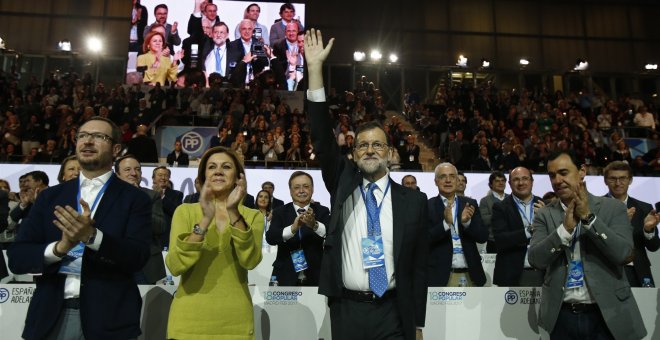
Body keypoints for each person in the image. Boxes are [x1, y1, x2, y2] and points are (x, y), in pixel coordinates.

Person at [305, 29, 428, 340]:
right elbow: (321, 136)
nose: (370, 150)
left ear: (388, 152)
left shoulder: (413, 201)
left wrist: (418, 324)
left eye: (377, 145)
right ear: (352, 153)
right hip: (347, 309)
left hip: (393, 312)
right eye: (362, 145)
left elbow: (417, 269)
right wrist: (315, 70)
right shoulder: (342, 181)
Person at [8, 117, 151, 339]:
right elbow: (18, 257)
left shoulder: (134, 199)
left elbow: (138, 256)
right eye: (82, 136)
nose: (87, 141)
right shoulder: (50, 197)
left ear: (116, 149)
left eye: (98, 137)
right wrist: (60, 248)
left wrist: (92, 237)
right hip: (51, 316)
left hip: (109, 320)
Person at [528, 151, 647, 340]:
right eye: (552, 175)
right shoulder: (545, 214)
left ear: (582, 171)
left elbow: (625, 254)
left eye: (563, 172)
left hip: (607, 313)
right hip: (562, 316)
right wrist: (564, 231)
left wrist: (589, 219)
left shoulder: (613, 208)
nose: (557, 180)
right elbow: (535, 259)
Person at [165, 146, 263, 339]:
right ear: (203, 177)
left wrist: (234, 211)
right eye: (211, 167)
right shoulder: (184, 211)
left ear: (238, 178)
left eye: (226, 167)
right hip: (188, 322)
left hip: (236, 323)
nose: (218, 171)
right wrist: (204, 220)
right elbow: (175, 266)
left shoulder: (253, 216)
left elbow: (250, 260)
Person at [428, 162, 487, 287]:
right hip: (441, 277)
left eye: (452, 176)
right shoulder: (427, 206)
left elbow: (482, 237)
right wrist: (445, 224)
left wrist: (467, 223)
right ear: (436, 181)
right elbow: (424, 240)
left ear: (457, 180)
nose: (448, 180)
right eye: (443, 177)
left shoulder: (470, 204)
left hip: (471, 275)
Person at [266, 171, 330, 286]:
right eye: (297, 187)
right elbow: (271, 238)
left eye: (306, 186)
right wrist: (292, 229)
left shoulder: (322, 211)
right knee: (279, 305)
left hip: (316, 274)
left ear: (312, 189)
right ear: (290, 191)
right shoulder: (280, 212)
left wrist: (314, 225)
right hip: (284, 274)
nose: (301, 191)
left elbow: (331, 233)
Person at [603, 161, 660, 287]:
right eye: (613, 178)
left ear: (630, 180)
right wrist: (619, 225)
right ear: (605, 181)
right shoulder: (595, 208)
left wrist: (648, 230)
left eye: (623, 178)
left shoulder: (644, 208)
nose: (618, 183)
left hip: (638, 272)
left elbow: (654, 247)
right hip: (606, 272)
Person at [115, 154, 168, 284]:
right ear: (117, 174)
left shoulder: (151, 196)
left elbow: (160, 227)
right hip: (115, 261)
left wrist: (137, 201)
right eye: (127, 170)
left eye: (137, 169)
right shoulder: (109, 197)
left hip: (146, 264)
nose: (134, 173)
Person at [492, 167, 545, 287]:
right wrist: (530, 230)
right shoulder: (500, 207)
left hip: (544, 273)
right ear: (509, 184)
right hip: (512, 274)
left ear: (532, 181)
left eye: (525, 178)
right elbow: (500, 239)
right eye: (516, 179)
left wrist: (544, 218)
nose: (521, 183)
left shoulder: (544, 205)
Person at [478, 171, 508, 253]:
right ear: (491, 184)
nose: (500, 183)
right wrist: (501, 215)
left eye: (503, 181)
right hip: (493, 241)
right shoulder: (485, 201)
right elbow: (484, 219)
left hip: (511, 239)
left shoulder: (512, 198)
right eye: (497, 181)